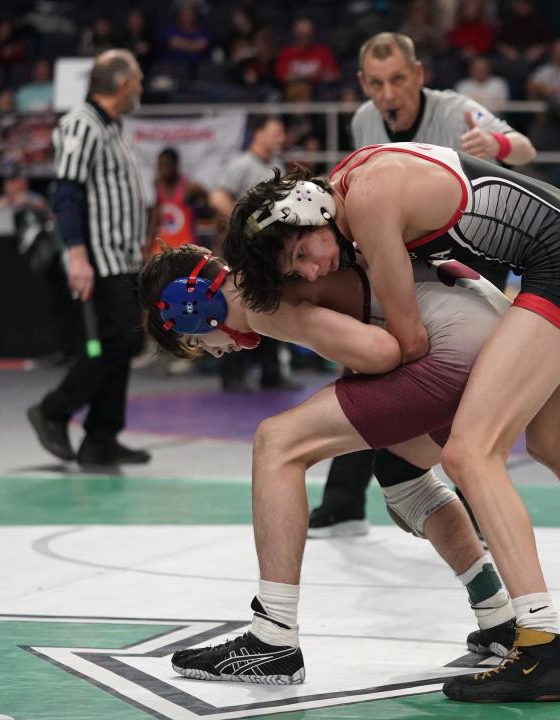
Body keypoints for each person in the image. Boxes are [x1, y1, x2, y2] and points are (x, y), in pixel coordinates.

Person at [223, 146, 560, 703]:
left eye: (303, 254)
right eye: (297, 272)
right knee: (557, 445)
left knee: (470, 453)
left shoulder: (366, 202)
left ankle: (539, 647)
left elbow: (408, 343)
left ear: (311, 208)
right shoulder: (351, 188)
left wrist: (351, 373)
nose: (314, 270)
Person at [138, 239, 520, 681]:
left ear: (192, 305)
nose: (212, 350)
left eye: (195, 340)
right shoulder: (272, 268)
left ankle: (272, 637)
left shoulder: (259, 300)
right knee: (402, 474)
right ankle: (499, 618)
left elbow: (381, 352)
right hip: (494, 338)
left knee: (277, 443)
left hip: (461, 346)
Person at [309, 31, 536, 538]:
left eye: (397, 81)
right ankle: (344, 501)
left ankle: (479, 509)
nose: (388, 94)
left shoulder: (457, 112)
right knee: (367, 357)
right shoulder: (364, 121)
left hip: (472, 248)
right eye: (375, 83)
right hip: (406, 248)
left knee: (465, 379)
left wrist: (496, 143)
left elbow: (524, 148)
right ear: (363, 84)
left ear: (418, 76)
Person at [25, 49, 150, 467]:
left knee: (125, 341)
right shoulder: (82, 123)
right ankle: (54, 410)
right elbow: (67, 192)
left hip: (121, 255)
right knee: (121, 340)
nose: (142, 87)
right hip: (99, 256)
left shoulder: (111, 126)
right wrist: (76, 254)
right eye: (138, 80)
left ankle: (101, 439)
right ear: (120, 84)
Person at [209, 115, 297, 392]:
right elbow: (217, 197)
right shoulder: (242, 164)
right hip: (245, 250)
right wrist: (245, 222)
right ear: (258, 134)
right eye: (276, 131)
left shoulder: (276, 165)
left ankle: (271, 372)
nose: (280, 138)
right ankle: (233, 374)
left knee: (272, 305)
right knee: (239, 306)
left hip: (269, 251)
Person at [143, 147, 207, 257]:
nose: (162, 170)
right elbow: (156, 215)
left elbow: (207, 201)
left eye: (165, 166)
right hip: (163, 248)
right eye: (160, 166)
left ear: (175, 165)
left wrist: (201, 212)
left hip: (186, 248)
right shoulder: (158, 184)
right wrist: (149, 243)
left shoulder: (190, 187)